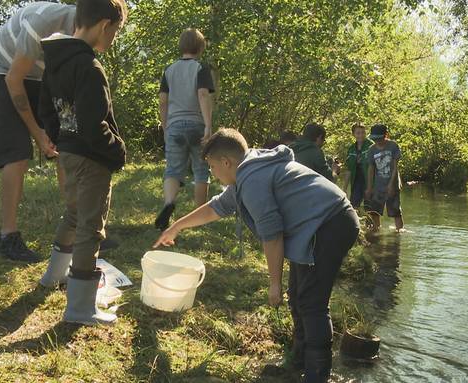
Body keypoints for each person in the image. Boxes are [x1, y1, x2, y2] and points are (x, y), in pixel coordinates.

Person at [154, 129, 360, 382]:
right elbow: (216, 207)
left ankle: (317, 375)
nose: (212, 173)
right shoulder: (247, 172)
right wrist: (177, 227)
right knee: (298, 296)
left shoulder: (253, 180)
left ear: (226, 162)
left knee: (311, 302)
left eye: (212, 167)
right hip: (319, 223)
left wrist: (274, 284)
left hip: (331, 224)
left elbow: (272, 236)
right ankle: (298, 360)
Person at [37, 0, 127, 325]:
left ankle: (52, 276)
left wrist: (58, 137)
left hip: (70, 154)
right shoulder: (89, 67)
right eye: (115, 31)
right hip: (92, 158)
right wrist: (118, 150)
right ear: (105, 25)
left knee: (74, 213)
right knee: (91, 226)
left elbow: (45, 108)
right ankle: (80, 309)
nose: (114, 38)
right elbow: (94, 125)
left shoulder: (55, 62)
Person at [0, 1, 77, 262]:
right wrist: (38, 134)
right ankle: (8, 237)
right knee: (17, 153)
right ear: (98, 23)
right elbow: (13, 79)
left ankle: (77, 225)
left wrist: (63, 130)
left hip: (36, 76)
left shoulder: (84, 39)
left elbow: (67, 85)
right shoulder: (44, 22)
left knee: (65, 142)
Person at [155, 28, 215, 231]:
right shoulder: (201, 67)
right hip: (197, 124)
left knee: (173, 169)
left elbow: (163, 101)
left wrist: (165, 126)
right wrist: (208, 125)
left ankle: (169, 203)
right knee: (201, 168)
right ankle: (200, 215)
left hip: (174, 126)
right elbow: (203, 95)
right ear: (200, 47)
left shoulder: (169, 70)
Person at [365, 124, 404, 232]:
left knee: (395, 211)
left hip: (393, 184)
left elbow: (395, 168)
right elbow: (371, 169)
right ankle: (377, 231)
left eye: (379, 139)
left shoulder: (393, 146)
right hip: (378, 186)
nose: (377, 141)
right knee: (375, 212)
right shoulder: (371, 150)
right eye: (375, 139)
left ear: (386, 135)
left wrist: (391, 185)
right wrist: (369, 188)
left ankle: (399, 231)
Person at [343, 123, 374, 209]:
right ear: (353, 134)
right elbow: (349, 170)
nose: (361, 135)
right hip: (356, 181)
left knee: (370, 208)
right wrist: (344, 189)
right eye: (358, 133)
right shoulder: (351, 149)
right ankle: (358, 222)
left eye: (363, 132)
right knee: (353, 205)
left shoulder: (371, 146)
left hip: (370, 181)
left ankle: (371, 223)